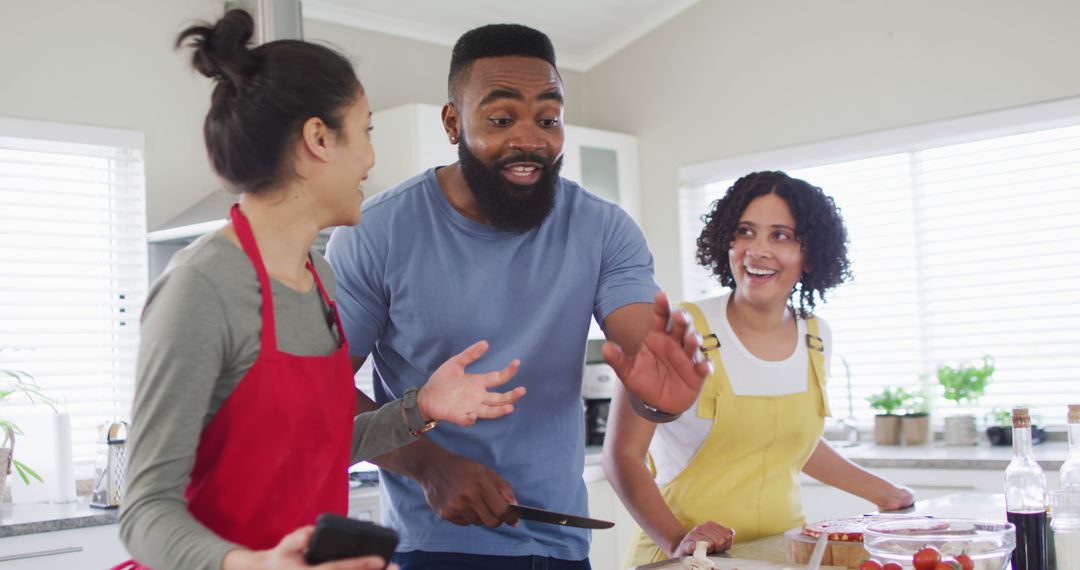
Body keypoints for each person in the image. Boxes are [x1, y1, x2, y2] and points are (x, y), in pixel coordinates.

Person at [118, 11, 526, 570]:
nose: (370, 157)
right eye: (366, 131)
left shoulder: (318, 277)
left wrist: (421, 407)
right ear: (318, 138)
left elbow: (324, 447)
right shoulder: (202, 288)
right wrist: (255, 565)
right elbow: (143, 511)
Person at [326, 23, 710, 570]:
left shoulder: (603, 228)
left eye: (548, 119)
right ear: (453, 122)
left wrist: (659, 398)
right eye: (502, 119)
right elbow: (321, 393)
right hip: (434, 547)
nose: (529, 139)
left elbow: (641, 346)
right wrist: (430, 466)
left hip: (561, 544)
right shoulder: (376, 232)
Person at [604, 171, 916, 567]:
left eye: (780, 235)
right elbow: (622, 455)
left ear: (810, 255)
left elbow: (784, 440)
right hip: (687, 559)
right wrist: (678, 540)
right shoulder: (677, 329)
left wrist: (885, 492)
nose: (757, 250)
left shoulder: (816, 336)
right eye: (745, 232)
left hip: (782, 556)